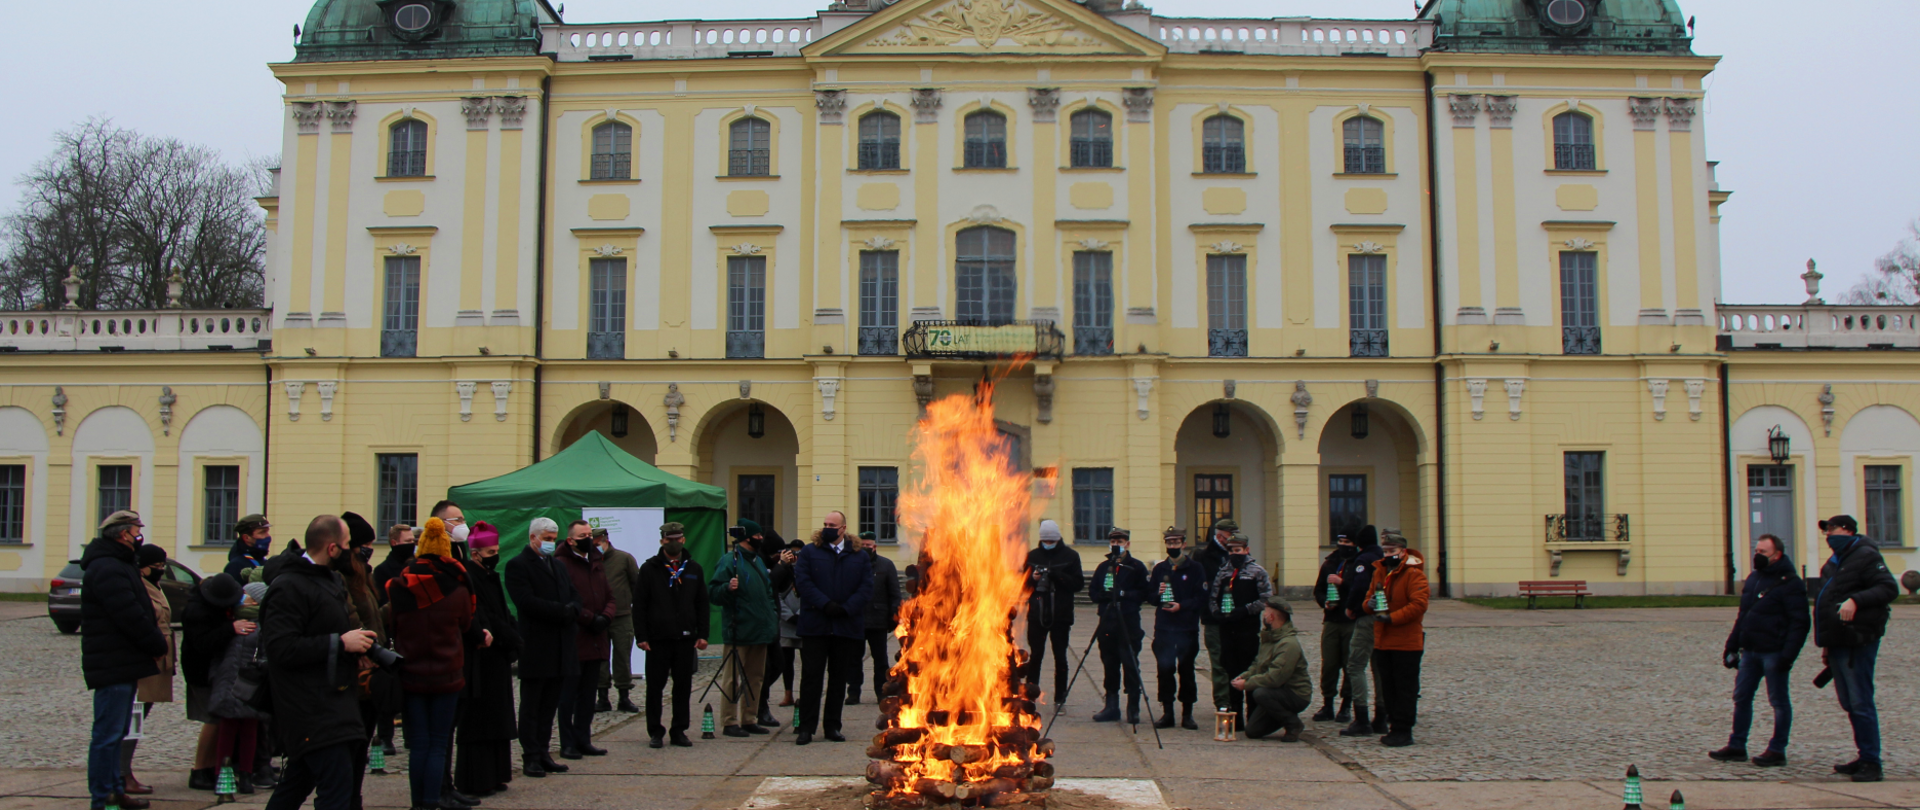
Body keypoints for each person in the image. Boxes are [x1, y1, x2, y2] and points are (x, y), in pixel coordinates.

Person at [261, 515, 378, 810]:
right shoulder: (288, 586)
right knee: (336, 788)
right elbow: (281, 648)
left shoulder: (331, 579)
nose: (354, 552)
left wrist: (358, 646)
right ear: (331, 548)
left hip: (336, 697)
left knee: (299, 782)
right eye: (348, 545)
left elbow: (332, 629)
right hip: (308, 704)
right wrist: (341, 643)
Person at [389, 517, 488, 810]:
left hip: (411, 673)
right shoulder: (458, 587)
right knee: (438, 743)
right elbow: (466, 624)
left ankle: (418, 803)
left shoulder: (400, 586)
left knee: (419, 744)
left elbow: (392, 625)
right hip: (448, 673)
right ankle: (432, 800)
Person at [80, 510, 167, 810]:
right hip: (112, 661)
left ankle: (115, 789)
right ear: (122, 534)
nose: (139, 536)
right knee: (107, 734)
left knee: (117, 732)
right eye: (136, 531)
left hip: (121, 660)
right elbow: (128, 613)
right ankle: (103, 796)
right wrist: (155, 643)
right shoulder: (107, 567)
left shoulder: (120, 563)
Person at [1813, 515, 1898, 783]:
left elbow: (1888, 588)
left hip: (1859, 639)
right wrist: (1827, 645)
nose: (1828, 534)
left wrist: (1856, 600)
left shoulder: (1866, 555)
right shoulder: (1834, 562)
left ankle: (1872, 762)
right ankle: (1864, 755)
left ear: (1848, 530)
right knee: (1849, 702)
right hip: (1838, 640)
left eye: (1832, 528)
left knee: (1861, 700)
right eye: (1826, 530)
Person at [1711, 533, 1808, 767]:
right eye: (1756, 551)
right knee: (1741, 698)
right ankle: (1737, 745)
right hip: (1750, 651)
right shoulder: (1754, 578)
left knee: (1778, 701)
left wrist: (1788, 655)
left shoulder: (1791, 583)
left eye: (1763, 552)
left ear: (1777, 555)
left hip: (1774, 651)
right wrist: (1732, 645)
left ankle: (1777, 749)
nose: (1757, 555)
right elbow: (1744, 615)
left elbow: (1800, 622)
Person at [502, 517, 576, 778]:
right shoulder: (518, 565)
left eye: (553, 539)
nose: (550, 543)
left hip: (560, 645)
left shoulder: (558, 565)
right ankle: (531, 755)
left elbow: (573, 594)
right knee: (532, 706)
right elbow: (526, 601)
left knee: (549, 706)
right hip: (536, 645)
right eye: (546, 539)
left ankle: (544, 752)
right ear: (533, 537)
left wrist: (573, 609)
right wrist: (561, 611)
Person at [792, 510, 872, 745]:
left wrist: (846, 608)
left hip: (845, 626)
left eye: (832, 525)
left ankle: (832, 726)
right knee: (811, 678)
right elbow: (803, 582)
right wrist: (825, 604)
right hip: (815, 625)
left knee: (838, 679)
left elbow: (866, 587)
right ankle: (806, 727)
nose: (827, 528)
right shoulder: (810, 552)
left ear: (843, 529)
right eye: (825, 524)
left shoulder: (859, 555)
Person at [455, 522, 521, 797]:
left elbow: (502, 611)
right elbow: (485, 614)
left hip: (497, 657)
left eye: (496, 550)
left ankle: (496, 773)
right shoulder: (470, 577)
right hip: (481, 658)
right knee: (479, 720)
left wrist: (513, 632)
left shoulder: (490, 575)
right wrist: (510, 635)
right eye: (491, 552)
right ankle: (477, 778)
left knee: (497, 718)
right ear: (476, 554)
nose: (496, 556)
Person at [634, 522, 711, 748]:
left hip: (685, 638)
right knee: (655, 688)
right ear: (662, 541)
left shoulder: (693, 568)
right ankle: (655, 731)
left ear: (683, 540)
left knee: (683, 687)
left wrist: (703, 633)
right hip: (657, 638)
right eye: (669, 540)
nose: (674, 543)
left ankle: (679, 730)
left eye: (677, 539)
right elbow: (639, 604)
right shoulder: (649, 568)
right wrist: (641, 636)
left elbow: (702, 603)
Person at [338, 512, 392, 810]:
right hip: (359, 669)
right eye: (365, 545)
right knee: (352, 744)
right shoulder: (345, 578)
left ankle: (353, 798)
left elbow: (374, 618)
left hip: (372, 666)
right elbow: (354, 620)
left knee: (361, 742)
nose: (370, 549)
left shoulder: (363, 576)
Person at [709, 520, 777, 737]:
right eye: (757, 535)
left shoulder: (758, 561)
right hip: (738, 629)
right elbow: (713, 593)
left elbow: (768, 591)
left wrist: (772, 615)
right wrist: (727, 588)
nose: (761, 539)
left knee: (755, 677)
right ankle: (729, 721)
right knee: (732, 679)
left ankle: (750, 718)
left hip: (760, 629)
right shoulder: (729, 561)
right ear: (747, 537)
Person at [1360, 530, 1429, 747]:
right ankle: (1393, 726)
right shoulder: (1379, 572)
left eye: (1392, 550)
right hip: (1383, 641)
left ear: (1403, 551)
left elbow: (1418, 605)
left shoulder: (1414, 574)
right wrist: (1368, 605)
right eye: (1386, 550)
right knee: (1388, 687)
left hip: (1407, 643)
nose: (1388, 554)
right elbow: (1368, 597)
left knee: (1405, 688)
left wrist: (1392, 618)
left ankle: (1403, 730)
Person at [181, 573, 247, 792]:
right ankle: (200, 769)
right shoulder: (197, 612)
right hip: (201, 672)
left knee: (217, 719)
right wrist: (230, 628)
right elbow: (203, 643)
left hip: (212, 671)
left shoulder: (206, 607)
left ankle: (209, 768)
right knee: (212, 718)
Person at [555, 520, 614, 759]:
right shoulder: (562, 564)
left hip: (597, 637)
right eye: (583, 536)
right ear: (570, 540)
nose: (589, 539)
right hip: (575, 637)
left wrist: (606, 616)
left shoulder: (596, 561)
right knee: (568, 696)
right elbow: (566, 599)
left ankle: (584, 738)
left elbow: (609, 596)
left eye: (590, 535)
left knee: (588, 695)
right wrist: (589, 618)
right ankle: (567, 742)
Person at [122, 543, 176, 796]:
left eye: (163, 565)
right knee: (132, 718)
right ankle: (122, 772)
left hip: (159, 658)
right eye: (156, 566)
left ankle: (123, 770)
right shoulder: (138, 587)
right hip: (145, 660)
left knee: (138, 717)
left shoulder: (154, 586)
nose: (161, 570)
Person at [209, 583, 270, 795]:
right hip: (232, 682)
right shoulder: (231, 622)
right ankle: (227, 775)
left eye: (246, 596)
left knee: (246, 731)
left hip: (247, 683)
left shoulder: (260, 625)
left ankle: (243, 775)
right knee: (231, 730)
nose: (241, 598)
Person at [1207, 532, 1272, 729]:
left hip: (1248, 630)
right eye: (1231, 551)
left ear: (1246, 550)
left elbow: (1266, 598)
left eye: (1238, 550)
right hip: (1227, 630)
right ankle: (1235, 717)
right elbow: (1213, 597)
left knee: (1249, 671)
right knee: (1230, 671)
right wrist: (1217, 613)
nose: (1234, 554)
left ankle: (1253, 716)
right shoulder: (1223, 572)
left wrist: (1245, 610)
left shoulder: (1257, 571)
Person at [1089, 528, 1150, 724]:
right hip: (1108, 621)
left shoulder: (1136, 567)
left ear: (1127, 544)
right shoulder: (1103, 567)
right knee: (1109, 663)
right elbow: (1093, 592)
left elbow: (1144, 593)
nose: (1116, 545)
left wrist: (1123, 594)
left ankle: (1133, 707)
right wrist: (1103, 596)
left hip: (1128, 621)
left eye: (1120, 541)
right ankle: (1111, 706)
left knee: (1130, 663)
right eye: (1113, 542)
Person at [1147, 526, 1205, 730]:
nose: (1172, 546)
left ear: (1183, 544)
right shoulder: (1159, 569)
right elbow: (1150, 597)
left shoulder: (1195, 568)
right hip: (1164, 628)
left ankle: (1187, 713)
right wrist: (1158, 592)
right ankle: (1167, 712)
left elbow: (1201, 597)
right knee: (1164, 670)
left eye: (1176, 542)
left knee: (1186, 671)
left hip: (1186, 628)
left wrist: (1182, 606)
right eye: (1169, 543)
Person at [1231, 597, 1311, 742]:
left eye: (1266, 613)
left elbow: (1275, 678)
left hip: (1295, 694)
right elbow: (1258, 664)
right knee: (1252, 731)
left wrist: (1247, 684)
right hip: (1277, 692)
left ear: (1272, 617)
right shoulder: (1269, 637)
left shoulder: (1288, 644)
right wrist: (1245, 676)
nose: (1264, 616)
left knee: (1261, 693)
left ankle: (1293, 724)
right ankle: (1283, 715)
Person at [1021, 519, 1083, 705]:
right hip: (1037, 614)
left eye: (1051, 541)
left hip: (1061, 615)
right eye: (1045, 541)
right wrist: (1033, 578)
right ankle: (1030, 696)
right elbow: (1021, 585)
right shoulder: (1032, 556)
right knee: (1036, 656)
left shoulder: (1070, 556)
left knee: (1060, 658)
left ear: (1058, 539)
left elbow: (1077, 584)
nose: (1048, 544)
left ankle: (1060, 698)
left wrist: (1058, 575)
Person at [1336, 525, 1386, 737]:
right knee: (1378, 667)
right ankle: (1381, 717)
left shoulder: (1363, 560)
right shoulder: (1383, 558)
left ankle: (1362, 718)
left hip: (1367, 617)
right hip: (1384, 617)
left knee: (1355, 665)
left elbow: (1359, 586)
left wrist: (1351, 607)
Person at [849, 530, 902, 706]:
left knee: (880, 660)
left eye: (869, 545)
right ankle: (853, 692)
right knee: (854, 659)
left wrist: (893, 617)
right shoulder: (852, 563)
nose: (866, 548)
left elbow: (894, 593)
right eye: (863, 545)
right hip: (856, 620)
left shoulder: (886, 565)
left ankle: (881, 692)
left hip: (878, 620)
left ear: (875, 546)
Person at [594, 527, 643, 714]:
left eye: (597, 543)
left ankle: (624, 696)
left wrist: (634, 610)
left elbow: (636, 585)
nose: (595, 547)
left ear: (605, 541)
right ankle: (602, 697)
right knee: (600, 659)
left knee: (622, 656)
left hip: (622, 616)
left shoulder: (624, 558)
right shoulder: (589, 560)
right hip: (598, 618)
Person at [1311, 534, 1359, 723]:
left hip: (1351, 621)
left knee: (1349, 665)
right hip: (1331, 620)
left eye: (1347, 542)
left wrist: (1343, 583)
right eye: (1341, 542)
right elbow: (1318, 590)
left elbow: (1361, 588)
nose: (1343, 545)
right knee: (1329, 665)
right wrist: (1324, 602)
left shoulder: (1359, 563)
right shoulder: (1329, 563)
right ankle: (1328, 703)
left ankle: (1346, 705)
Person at [1189, 518, 1235, 712]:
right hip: (1213, 617)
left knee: (1235, 659)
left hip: (1235, 616)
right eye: (1229, 536)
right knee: (1218, 661)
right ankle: (1223, 701)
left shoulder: (1235, 553)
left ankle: (1235, 699)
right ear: (1220, 536)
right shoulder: (1203, 556)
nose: (1231, 540)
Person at [764, 539, 804, 723]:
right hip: (786, 624)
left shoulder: (806, 569)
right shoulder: (780, 570)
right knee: (785, 662)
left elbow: (810, 592)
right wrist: (788, 616)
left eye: (798, 553)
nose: (795, 557)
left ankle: (803, 695)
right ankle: (788, 694)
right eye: (792, 553)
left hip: (804, 623)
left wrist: (802, 615)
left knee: (807, 663)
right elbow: (775, 595)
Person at [374, 524, 417, 602]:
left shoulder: (416, 565)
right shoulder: (382, 571)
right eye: (408, 541)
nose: (412, 544)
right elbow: (383, 601)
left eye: (413, 541)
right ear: (394, 543)